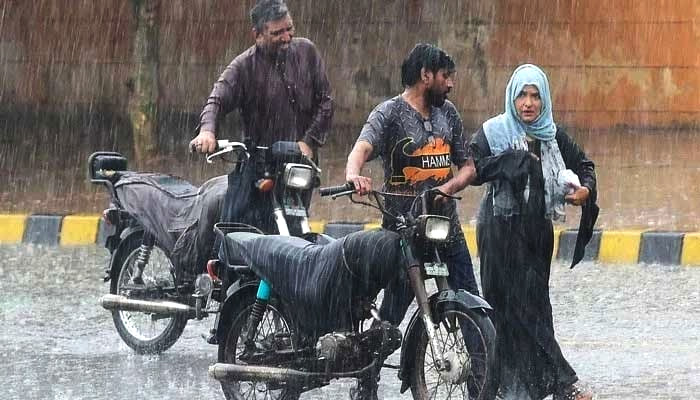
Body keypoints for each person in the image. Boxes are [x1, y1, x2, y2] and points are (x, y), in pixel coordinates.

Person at [469, 64, 598, 400]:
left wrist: (583, 190)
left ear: (544, 100)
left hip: (536, 233)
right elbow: (473, 167)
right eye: (522, 95)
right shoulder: (493, 132)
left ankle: (533, 386)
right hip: (499, 228)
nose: (528, 103)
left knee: (536, 306)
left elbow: (585, 166)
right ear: (512, 97)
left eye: (535, 96)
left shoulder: (552, 136)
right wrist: (513, 161)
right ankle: (557, 384)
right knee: (507, 307)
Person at [346, 43, 480, 324]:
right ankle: (367, 364)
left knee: (473, 310)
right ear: (426, 76)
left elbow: (468, 167)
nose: (451, 84)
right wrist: (353, 175)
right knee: (389, 322)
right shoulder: (389, 113)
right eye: (446, 76)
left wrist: (447, 189)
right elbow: (361, 149)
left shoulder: (449, 113)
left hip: (447, 230)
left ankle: (481, 368)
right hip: (404, 233)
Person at [188, 0, 333, 232]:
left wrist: (308, 142)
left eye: (289, 29)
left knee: (297, 227)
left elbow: (326, 101)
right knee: (233, 227)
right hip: (260, 164)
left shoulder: (307, 52)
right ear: (257, 34)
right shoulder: (243, 67)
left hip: (300, 164)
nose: (286, 37)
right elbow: (217, 98)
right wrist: (207, 130)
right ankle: (218, 266)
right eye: (277, 33)